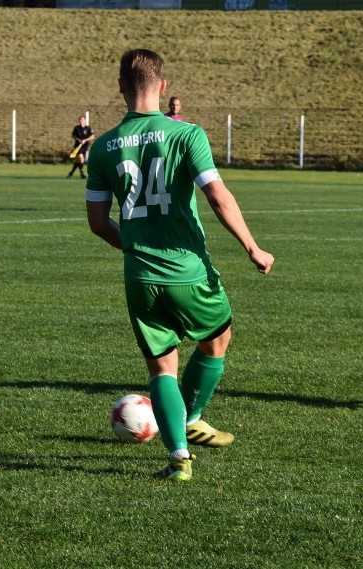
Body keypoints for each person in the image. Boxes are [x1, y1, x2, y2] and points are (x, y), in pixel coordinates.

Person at [85, 49, 274, 481]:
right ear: (163, 86)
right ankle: (192, 416)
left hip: (139, 276)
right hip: (189, 268)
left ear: (120, 88)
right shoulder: (187, 135)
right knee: (219, 336)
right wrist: (252, 247)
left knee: (161, 368)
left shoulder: (102, 148)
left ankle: (178, 458)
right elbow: (217, 196)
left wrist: (134, 249)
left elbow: (98, 224)